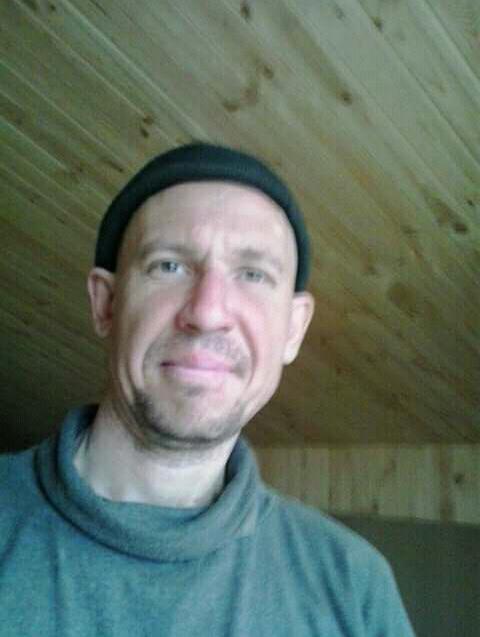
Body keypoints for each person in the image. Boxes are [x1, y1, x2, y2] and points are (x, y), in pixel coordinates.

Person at [0, 143, 415, 636]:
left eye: (253, 275)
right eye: (169, 266)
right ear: (106, 304)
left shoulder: (354, 587)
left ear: (293, 329)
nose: (207, 312)